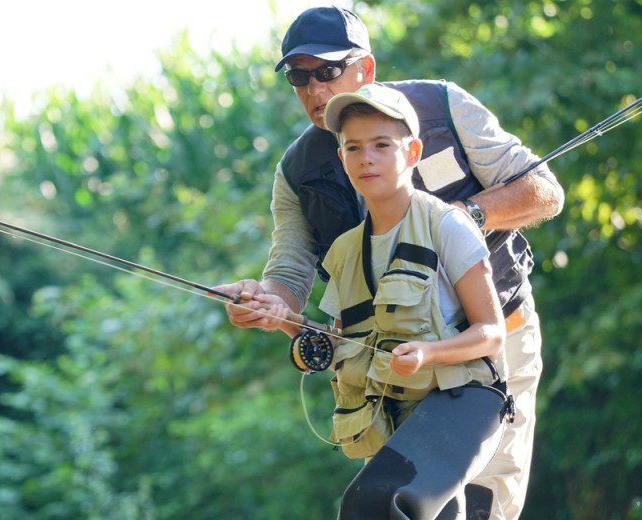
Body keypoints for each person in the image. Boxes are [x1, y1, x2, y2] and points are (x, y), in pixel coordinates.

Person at [212, 6, 564, 520]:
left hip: (495, 341)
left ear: (366, 69)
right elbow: (288, 273)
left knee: (483, 507)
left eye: (328, 71)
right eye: (298, 76)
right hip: (392, 367)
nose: (314, 89)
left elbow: (543, 192)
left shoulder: (442, 106)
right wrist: (268, 304)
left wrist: (461, 219)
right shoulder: (297, 172)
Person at [269, 82, 512, 519]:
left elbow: (492, 334)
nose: (367, 159)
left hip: (463, 401)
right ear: (341, 158)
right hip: (393, 420)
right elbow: (338, 343)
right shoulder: (343, 251)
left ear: (413, 152)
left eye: (382, 145)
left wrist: (428, 353)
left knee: (377, 503)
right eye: (354, 148)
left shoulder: (448, 227)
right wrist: (282, 318)